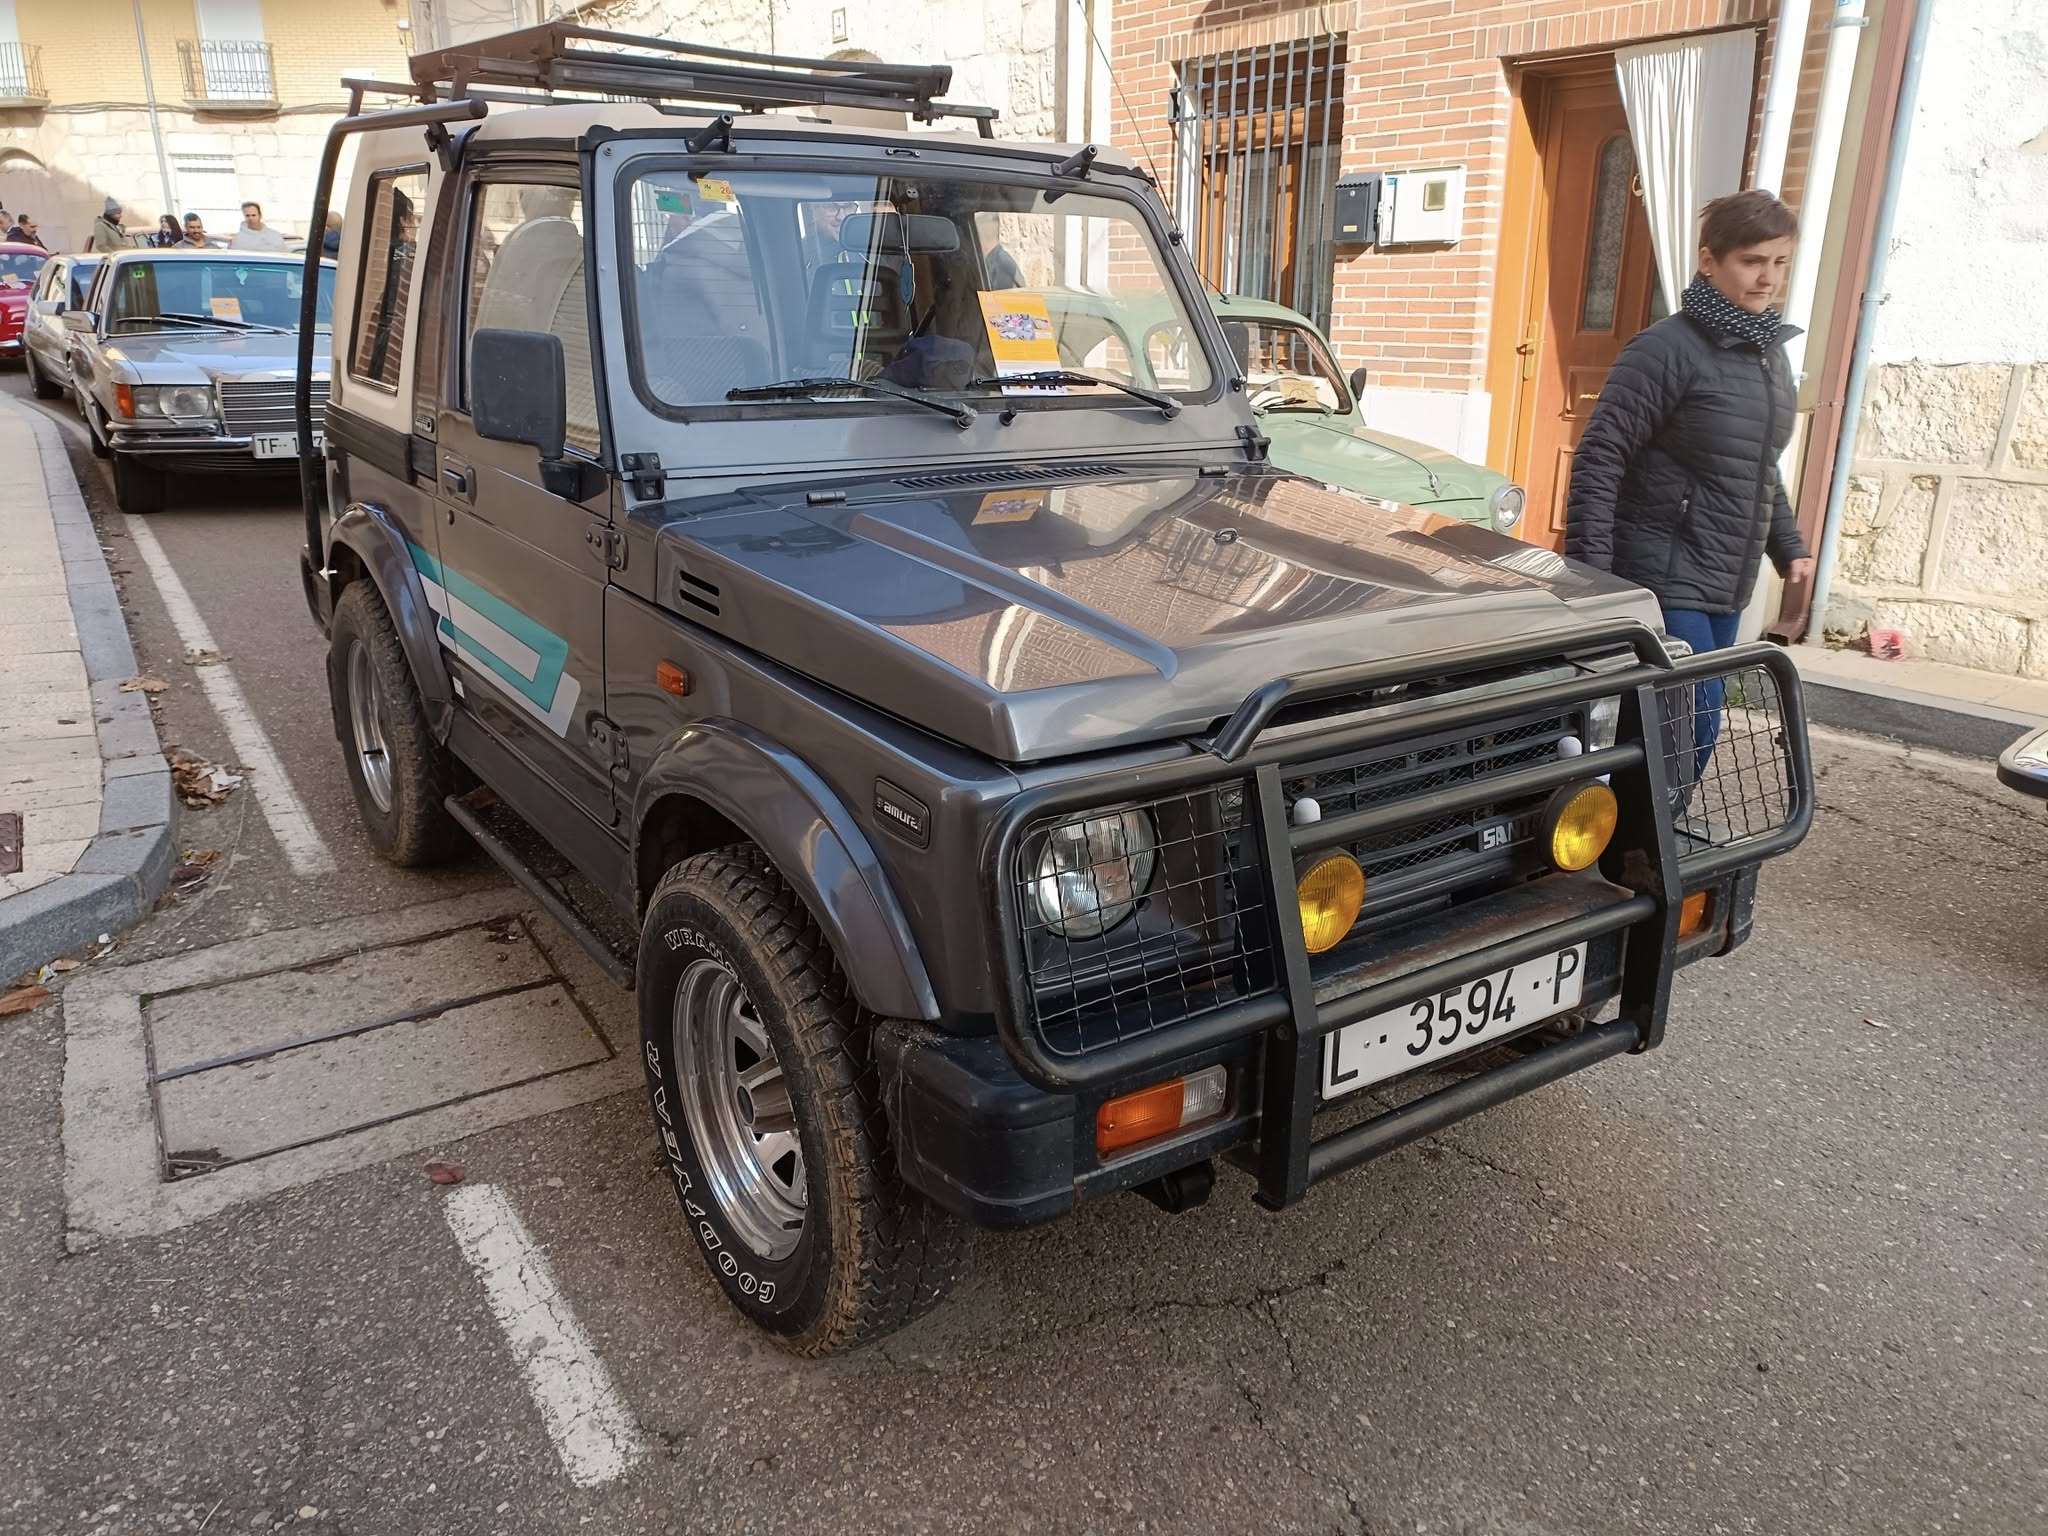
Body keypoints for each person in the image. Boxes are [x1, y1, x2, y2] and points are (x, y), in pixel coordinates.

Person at [1565, 189, 1815, 777]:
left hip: (1725, 574)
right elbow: (1600, 457)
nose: (1768, 279)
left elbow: (1753, 466)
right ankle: (1647, 854)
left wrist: (1790, 546)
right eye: (1752, 262)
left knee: (1673, 722)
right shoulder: (1666, 349)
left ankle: (1640, 845)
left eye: (1780, 263)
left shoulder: (1766, 355)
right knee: (1688, 719)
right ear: (1710, 261)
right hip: (1660, 568)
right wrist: (1592, 575)